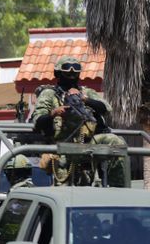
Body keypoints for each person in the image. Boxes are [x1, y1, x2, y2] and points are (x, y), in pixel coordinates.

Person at [32, 56, 127, 187]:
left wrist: (85, 100)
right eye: (67, 70)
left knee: (116, 142)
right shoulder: (49, 94)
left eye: (75, 71)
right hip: (62, 148)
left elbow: (106, 109)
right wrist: (53, 113)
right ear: (58, 73)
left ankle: (118, 189)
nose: (71, 74)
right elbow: (38, 121)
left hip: (88, 145)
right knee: (65, 192)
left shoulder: (86, 92)